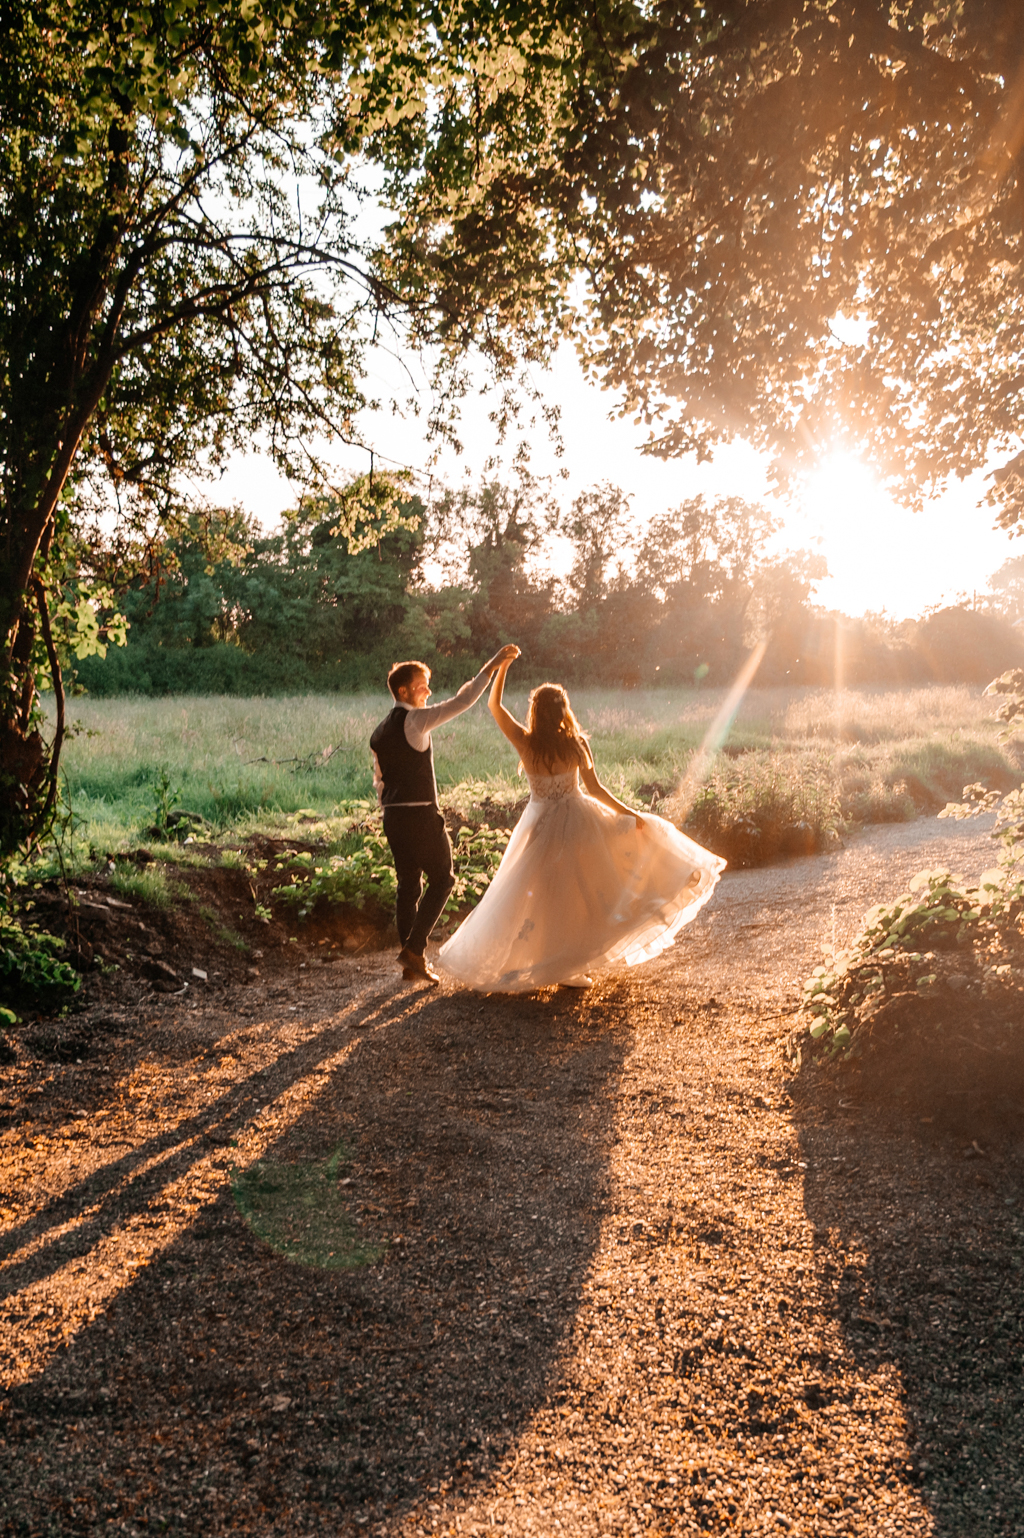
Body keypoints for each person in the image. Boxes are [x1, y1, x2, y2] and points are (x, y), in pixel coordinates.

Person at [439, 655, 724, 991]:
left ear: (535, 712)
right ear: (565, 710)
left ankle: (552, 963)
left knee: (541, 896)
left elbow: (494, 704)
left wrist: (502, 666)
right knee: (582, 894)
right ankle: (566, 964)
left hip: (540, 825)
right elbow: (596, 789)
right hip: (580, 822)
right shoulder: (576, 744)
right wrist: (628, 814)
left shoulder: (526, 742)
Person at [371, 646, 520, 983]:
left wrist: (391, 805)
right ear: (405, 691)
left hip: (393, 818)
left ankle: (411, 963)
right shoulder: (416, 719)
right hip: (421, 816)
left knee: (408, 886)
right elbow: (463, 701)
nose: (428, 690)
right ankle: (414, 950)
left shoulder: (378, 732)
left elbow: (379, 781)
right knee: (444, 878)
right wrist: (492, 664)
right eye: (423, 685)